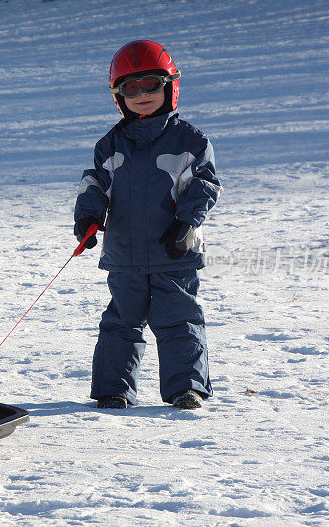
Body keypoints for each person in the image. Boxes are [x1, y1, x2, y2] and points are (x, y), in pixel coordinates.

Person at [74, 40, 222, 410]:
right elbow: (96, 184)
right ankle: (113, 389)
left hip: (174, 250)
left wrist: (187, 224)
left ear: (170, 86)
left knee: (178, 320)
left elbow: (204, 184)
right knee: (121, 323)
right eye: (130, 88)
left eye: (151, 85)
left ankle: (186, 387)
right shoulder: (110, 144)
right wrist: (88, 218)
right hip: (125, 253)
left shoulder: (191, 141)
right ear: (118, 95)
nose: (142, 95)